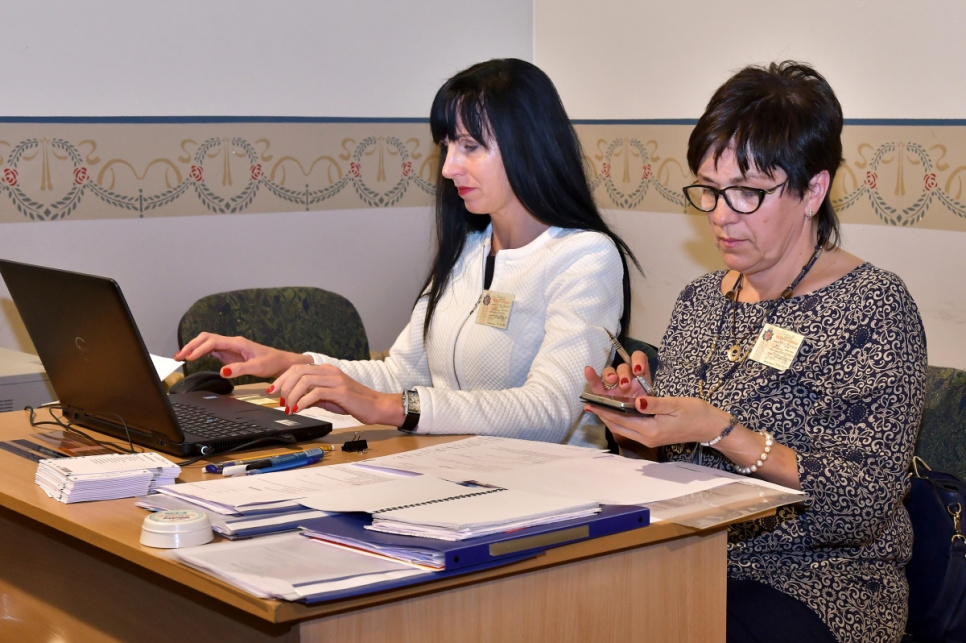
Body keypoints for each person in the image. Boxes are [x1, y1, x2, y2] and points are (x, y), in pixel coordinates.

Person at [584, 61, 926, 643]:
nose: (721, 215)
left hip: (817, 582)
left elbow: (861, 505)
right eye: (710, 190)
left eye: (747, 193)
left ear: (813, 190)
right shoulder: (701, 299)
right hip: (686, 555)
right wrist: (638, 420)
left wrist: (723, 432)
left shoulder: (872, 307)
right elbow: (669, 472)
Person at [177, 58, 639, 449]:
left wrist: (389, 407)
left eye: (470, 146)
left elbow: (549, 411)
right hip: (459, 470)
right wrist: (297, 364)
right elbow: (404, 372)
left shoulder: (585, 257)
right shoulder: (470, 248)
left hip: (549, 491)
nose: (449, 167)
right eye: (447, 146)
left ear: (529, 146)